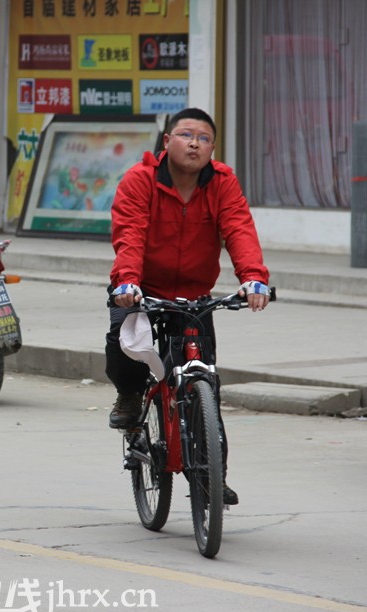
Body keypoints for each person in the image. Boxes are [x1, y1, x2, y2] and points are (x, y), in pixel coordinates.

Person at [105, 108, 270, 505]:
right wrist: (127, 279)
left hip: (195, 296)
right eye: (185, 134)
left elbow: (238, 228)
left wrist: (253, 277)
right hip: (141, 288)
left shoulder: (222, 183)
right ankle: (129, 395)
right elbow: (130, 232)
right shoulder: (140, 180)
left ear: (212, 149)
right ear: (166, 142)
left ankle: (214, 475)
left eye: (204, 137)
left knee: (205, 383)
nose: (194, 143)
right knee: (122, 344)